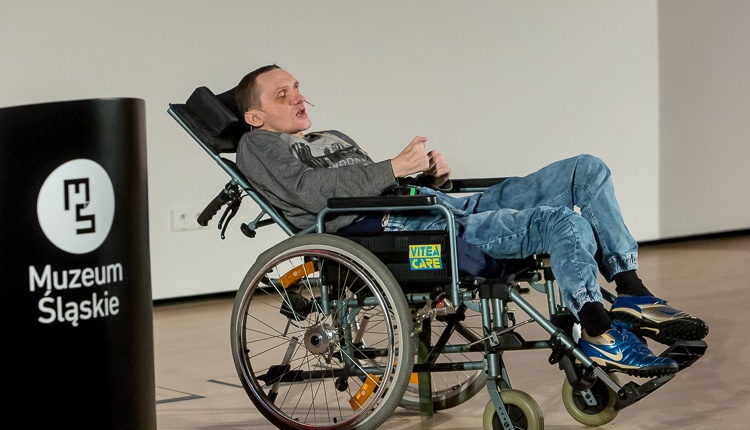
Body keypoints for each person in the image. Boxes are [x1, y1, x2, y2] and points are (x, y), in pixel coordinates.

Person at [234, 64, 708, 377]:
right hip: (403, 232)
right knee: (562, 223)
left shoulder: (329, 136)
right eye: (283, 94)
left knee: (587, 168)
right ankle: (598, 331)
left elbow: (370, 184)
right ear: (255, 116)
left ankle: (631, 291)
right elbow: (310, 193)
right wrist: (395, 167)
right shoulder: (257, 145)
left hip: (432, 206)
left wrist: (426, 178)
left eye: (297, 87)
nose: (298, 97)